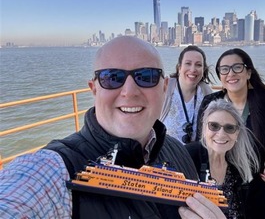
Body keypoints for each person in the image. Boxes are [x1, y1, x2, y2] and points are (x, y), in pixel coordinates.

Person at [0, 36, 226, 219]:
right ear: (94, 88)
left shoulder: (177, 151)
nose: (129, 91)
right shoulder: (55, 169)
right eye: (112, 78)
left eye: (146, 76)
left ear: (164, 87)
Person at [196, 48, 265, 219]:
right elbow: (202, 140)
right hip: (223, 183)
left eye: (237, 67)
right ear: (220, 76)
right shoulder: (211, 103)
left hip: (262, 183)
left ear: (248, 72)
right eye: (224, 69)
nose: (231, 73)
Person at [186, 99, 260, 218]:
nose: (221, 134)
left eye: (229, 128)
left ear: (237, 133)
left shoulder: (240, 168)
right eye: (214, 126)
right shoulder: (187, 156)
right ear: (204, 129)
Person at [160, 45, 213, 144]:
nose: (193, 69)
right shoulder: (165, 87)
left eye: (198, 65)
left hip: (194, 155)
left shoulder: (206, 92)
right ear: (179, 68)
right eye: (188, 63)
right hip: (166, 154)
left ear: (203, 69)